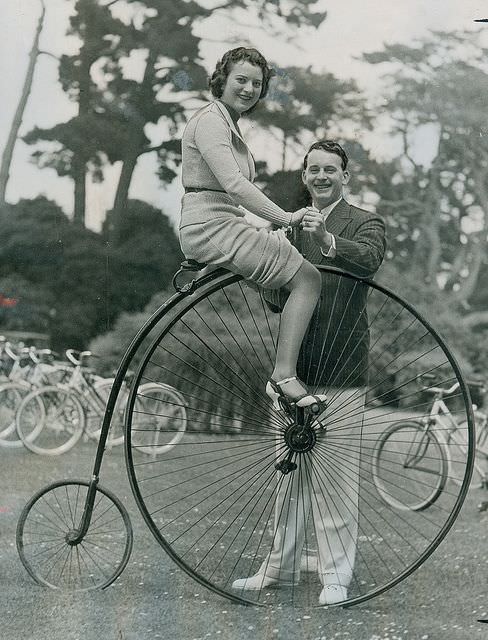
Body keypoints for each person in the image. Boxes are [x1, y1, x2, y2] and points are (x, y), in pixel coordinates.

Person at [232, 140, 387, 605]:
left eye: (330, 170)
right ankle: (279, 566)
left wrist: (328, 242)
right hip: (295, 367)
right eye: (313, 170)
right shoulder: (293, 224)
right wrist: (264, 266)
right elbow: (281, 301)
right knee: (289, 474)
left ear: (345, 176)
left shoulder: (365, 221)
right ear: (304, 177)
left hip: (340, 365)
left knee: (336, 477)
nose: (321, 177)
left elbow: (369, 259)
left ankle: (335, 575)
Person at [179, 46, 326, 409]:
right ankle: (283, 377)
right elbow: (234, 186)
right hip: (211, 225)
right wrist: (287, 217)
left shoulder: (227, 121)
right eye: (240, 80)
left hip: (223, 222)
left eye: (256, 84)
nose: (248, 89)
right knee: (308, 279)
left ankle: (287, 373)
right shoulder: (211, 120)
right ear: (222, 80)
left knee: (289, 274)